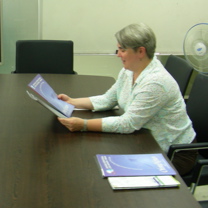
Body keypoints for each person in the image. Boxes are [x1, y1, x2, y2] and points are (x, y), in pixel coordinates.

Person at [57, 23, 197, 175]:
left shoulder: (156, 82)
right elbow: (108, 99)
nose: (118, 54)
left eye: (122, 50)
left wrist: (83, 125)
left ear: (141, 51)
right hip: (145, 140)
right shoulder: (129, 70)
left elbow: (127, 124)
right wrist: (71, 102)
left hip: (174, 153)